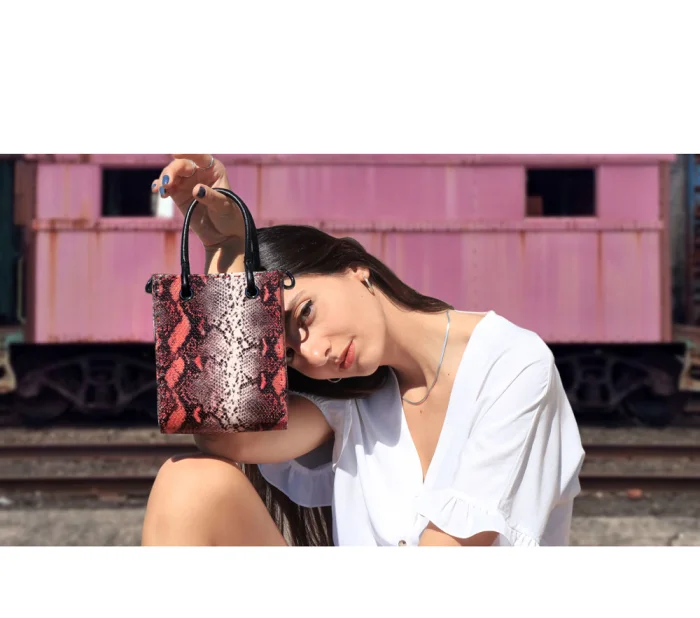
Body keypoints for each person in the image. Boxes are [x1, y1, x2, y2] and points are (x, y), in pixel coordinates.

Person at [141, 154, 585, 547]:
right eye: (290, 356)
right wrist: (227, 254)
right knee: (188, 483)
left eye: (305, 314)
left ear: (355, 270)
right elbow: (221, 435)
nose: (314, 354)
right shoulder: (351, 401)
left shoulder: (512, 365)